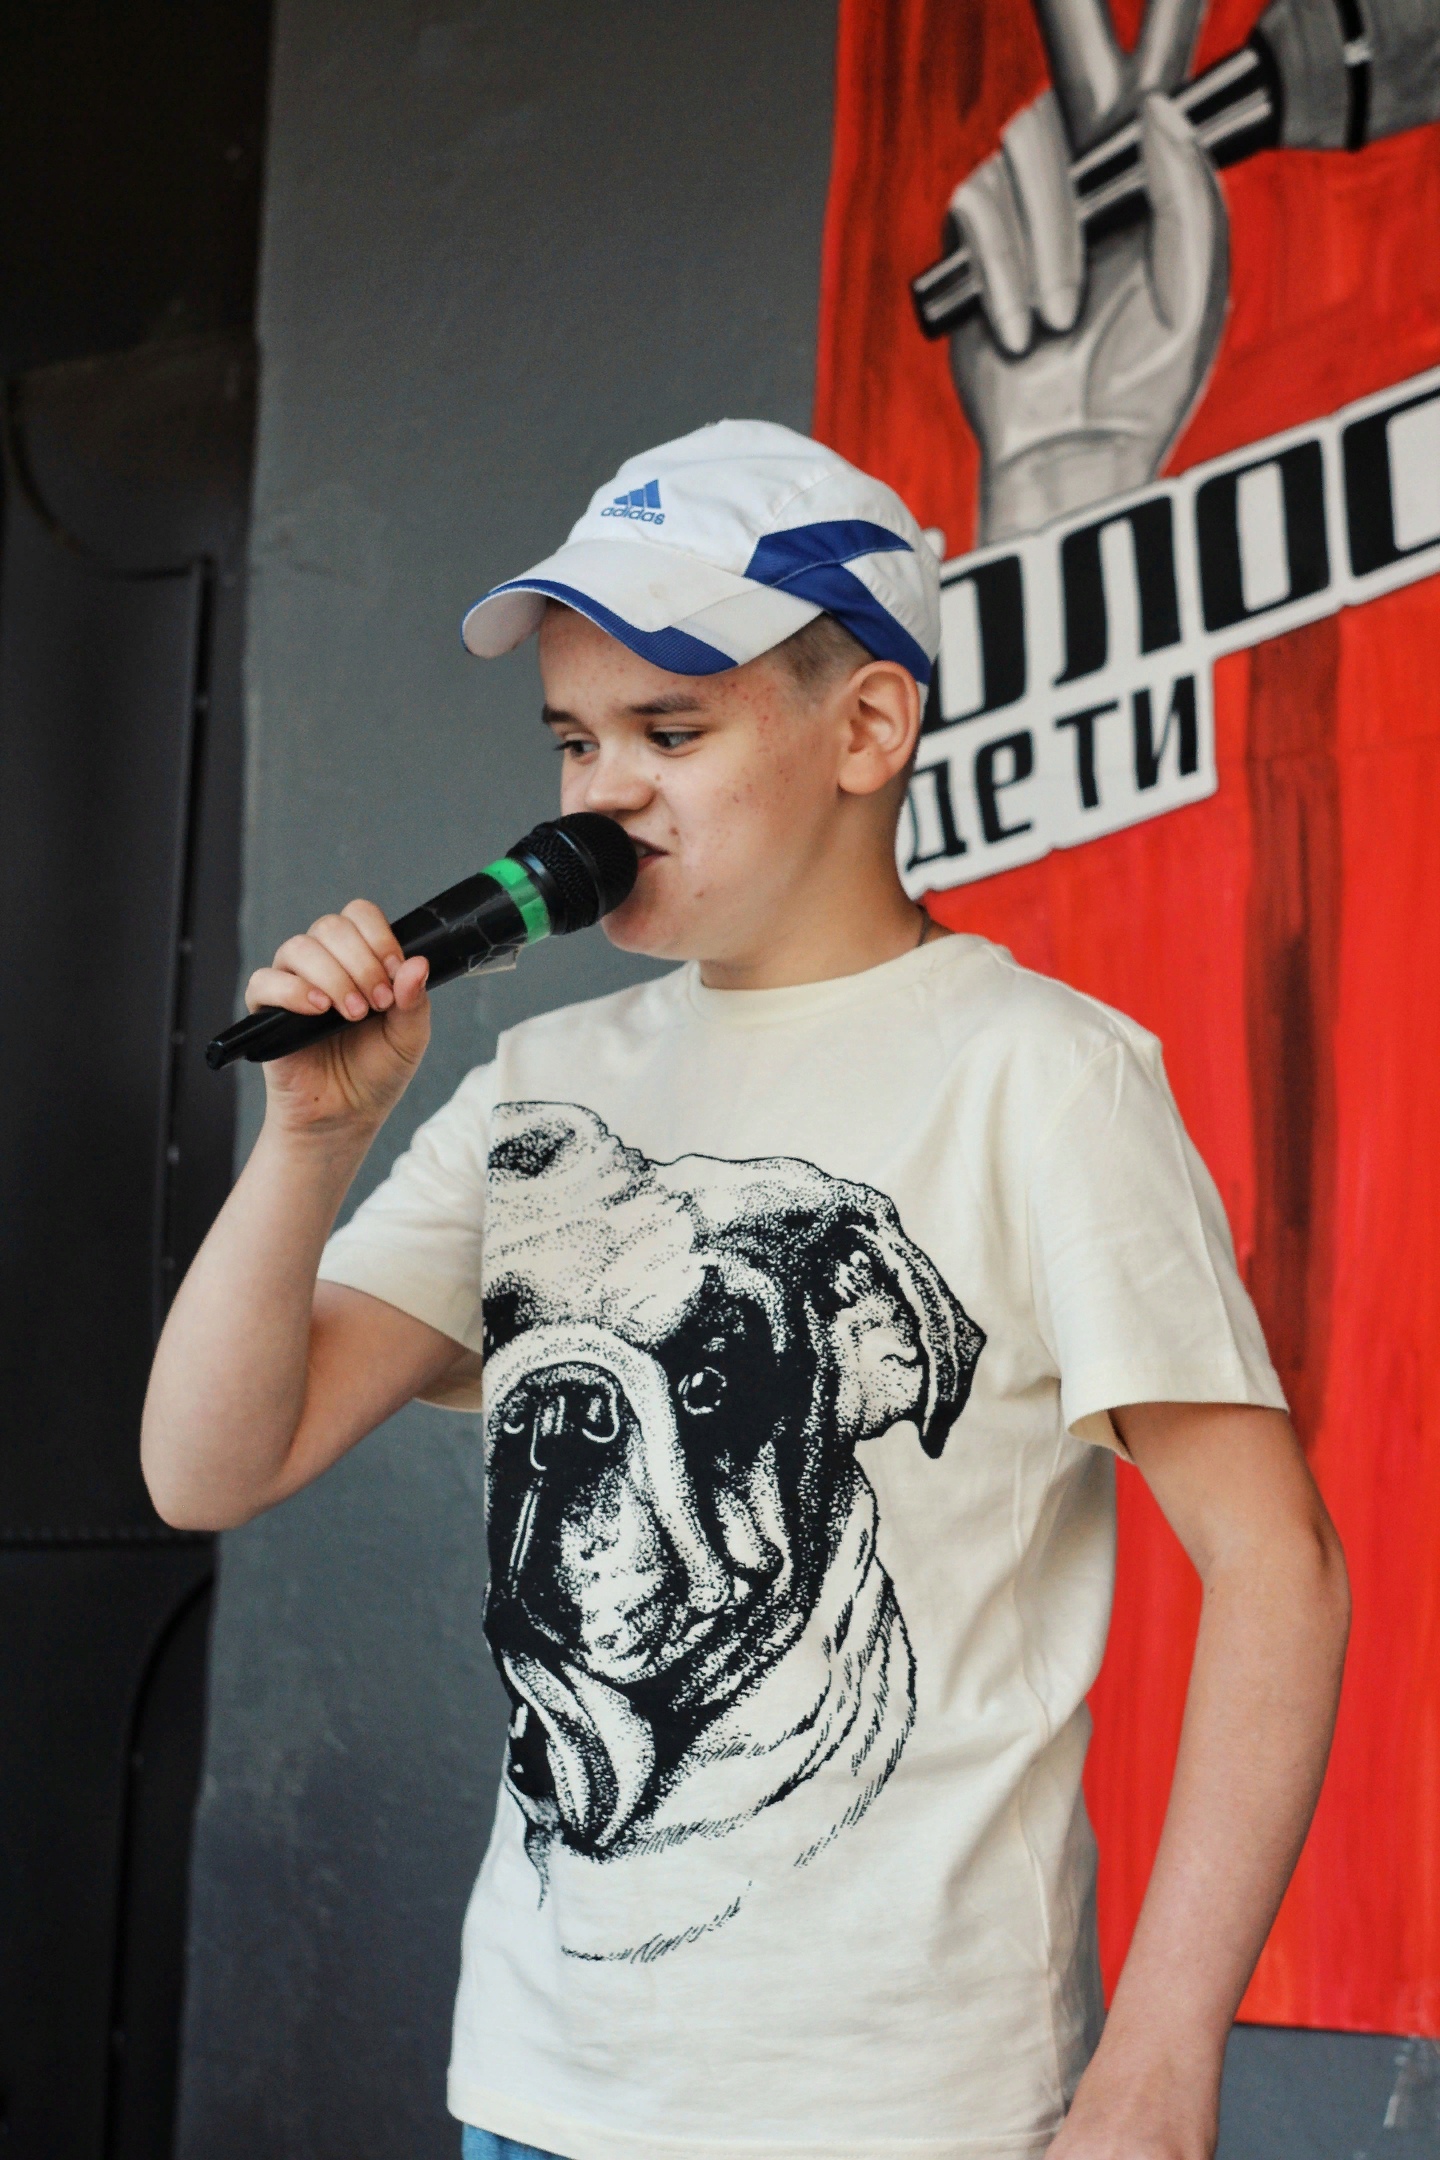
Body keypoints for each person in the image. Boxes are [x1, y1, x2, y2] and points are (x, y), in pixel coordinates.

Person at [142, 420, 1349, 2160]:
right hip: (537, 2092)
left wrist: (1160, 2058)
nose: (602, 794)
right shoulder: (541, 1086)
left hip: (901, 2111)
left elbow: (1278, 1566)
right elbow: (209, 1467)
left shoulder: (1041, 1076)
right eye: (574, 740)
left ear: (868, 728)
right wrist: (312, 1140)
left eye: (672, 731)